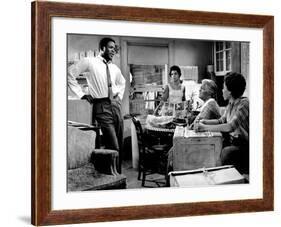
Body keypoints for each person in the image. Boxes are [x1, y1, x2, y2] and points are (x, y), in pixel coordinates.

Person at [68, 37, 126, 173]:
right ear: (102, 48)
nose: (114, 50)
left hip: (115, 106)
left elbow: (122, 82)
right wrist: (81, 94)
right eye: (111, 47)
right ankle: (112, 176)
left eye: (114, 48)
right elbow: (70, 73)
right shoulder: (90, 62)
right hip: (101, 106)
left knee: (120, 143)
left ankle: (118, 176)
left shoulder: (114, 67)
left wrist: (119, 97)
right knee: (113, 145)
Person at [195, 72, 249, 173]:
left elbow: (230, 127)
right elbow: (221, 121)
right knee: (209, 149)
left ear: (230, 91)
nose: (222, 90)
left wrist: (204, 127)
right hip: (232, 141)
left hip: (244, 146)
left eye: (224, 88)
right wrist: (204, 121)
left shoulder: (244, 104)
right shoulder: (230, 104)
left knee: (225, 153)